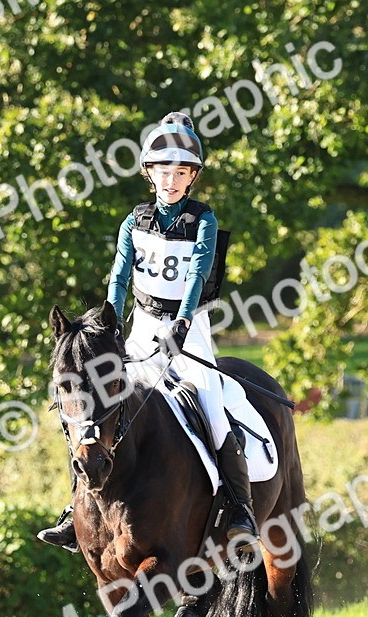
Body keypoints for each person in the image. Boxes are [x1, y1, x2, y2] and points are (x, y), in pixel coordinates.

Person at [38, 111, 255, 552]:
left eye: (180, 173)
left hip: (188, 332)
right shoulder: (133, 222)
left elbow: (197, 275)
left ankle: (240, 510)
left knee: (213, 413)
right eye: (163, 172)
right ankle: (74, 509)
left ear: (192, 177)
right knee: (93, 405)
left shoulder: (203, 221)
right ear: (148, 174)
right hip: (140, 329)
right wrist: (109, 324)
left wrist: (183, 322)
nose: (171, 181)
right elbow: (119, 278)